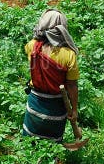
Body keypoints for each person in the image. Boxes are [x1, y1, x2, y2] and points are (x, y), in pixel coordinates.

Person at [22, 10, 80, 142]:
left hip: (34, 104)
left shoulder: (32, 46)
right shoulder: (69, 54)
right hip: (56, 108)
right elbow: (72, 85)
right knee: (53, 145)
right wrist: (74, 110)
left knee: (29, 142)